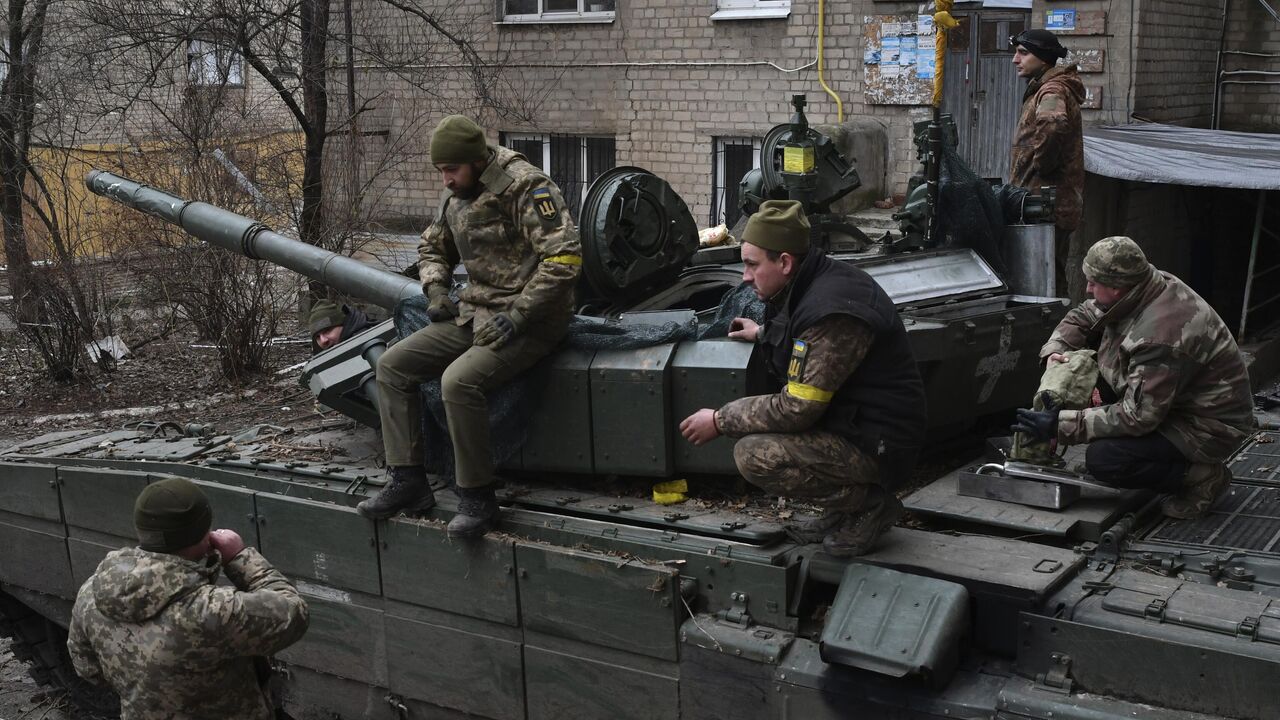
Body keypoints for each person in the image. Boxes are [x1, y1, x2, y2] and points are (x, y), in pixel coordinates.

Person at [360, 115, 581, 538]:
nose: (445, 180)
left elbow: (564, 259)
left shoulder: (526, 187)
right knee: (392, 366)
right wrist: (437, 288)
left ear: (477, 161)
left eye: (451, 171)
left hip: (533, 319)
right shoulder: (457, 193)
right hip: (475, 311)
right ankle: (409, 481)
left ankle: (478, 499)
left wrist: (519, 315)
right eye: (441, 171)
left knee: (458, 382)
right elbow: (432, 245)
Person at [679, 200, 927, 557]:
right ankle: (844, 508)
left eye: (752, 265)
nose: (745, 276)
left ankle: (868, 504)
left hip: (879, 444)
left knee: (754, 455)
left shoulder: (833, 310)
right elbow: (804, 340)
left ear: (784, 262)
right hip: (856, 425)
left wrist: (720, 419)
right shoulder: (811, 283)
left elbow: (797, 407)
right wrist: (762, 332)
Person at [1013, 237, 1256, 519]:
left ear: (1116, 288)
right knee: (1082, 383)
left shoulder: (1159, 335)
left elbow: (1138, 417)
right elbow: (1084, 314)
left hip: (1207, 426)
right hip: (1173, 401)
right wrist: (1056, 349)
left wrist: (1060, 425)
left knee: (1105, 459)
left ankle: (1202, 477)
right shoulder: (1142, 286)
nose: (1089, 289)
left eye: (1094, 283)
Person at [67, 477, 309, 719]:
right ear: (204, 535)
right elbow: (294, 613)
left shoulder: (91, 591)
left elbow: (87, 668)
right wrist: (239, 556)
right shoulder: (211, 611)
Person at [1009, 28, 1085, 296]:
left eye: (1023, 53)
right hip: (1041, 204)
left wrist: (1042, 167)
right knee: (1048, 276)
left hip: (1045, 206)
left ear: (1043, 59)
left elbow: (1053, 126)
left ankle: (1058, 333)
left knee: (1047, 281)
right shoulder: (1045, 87)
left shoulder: (1051, 89)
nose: (1016, 60)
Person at [309, 299, 375, 351]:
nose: (323, 341)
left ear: (343, 324)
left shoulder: (368, 341)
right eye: (318, 337)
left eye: (327, 331)